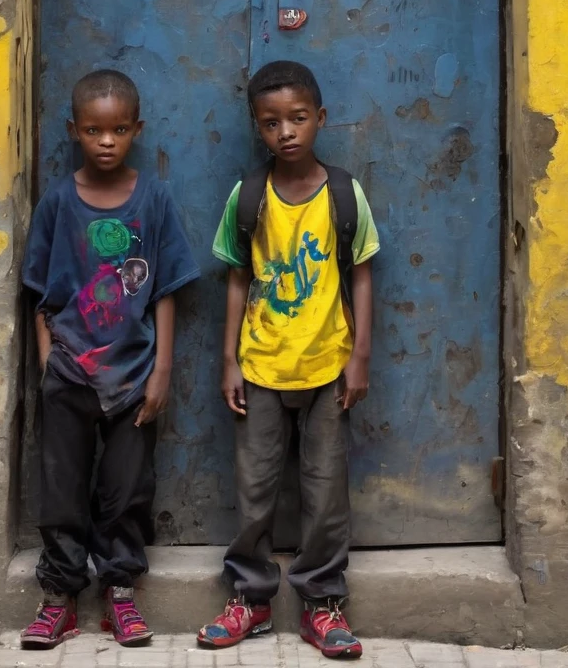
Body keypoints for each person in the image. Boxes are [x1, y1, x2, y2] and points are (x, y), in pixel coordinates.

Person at [198, 60, 379, 660]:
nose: (287, 132)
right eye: (272, 122)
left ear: (320, 119)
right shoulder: (247, 197)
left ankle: (322, 603)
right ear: (258, 128)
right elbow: (235, 279)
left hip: (328, 365)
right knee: (255, 490)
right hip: (260, 367)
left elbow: (361, 274)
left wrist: (360, 357)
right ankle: (249, 598)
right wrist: (229, 360)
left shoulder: (344, 194)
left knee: (326, 493)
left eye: (299, 118)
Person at [20, 69, 199, 650]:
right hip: (70, 372)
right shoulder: (57, 202)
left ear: (136, 130)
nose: (106, 140)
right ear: (74, 130)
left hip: (132, 377)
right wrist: (49, 364)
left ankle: (120, 595)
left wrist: (162, 371)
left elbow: (167, 287)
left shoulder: (153, 198)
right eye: (94, 129)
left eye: (119, 129)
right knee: (62, 488)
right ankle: (61, 597)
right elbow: (39, 293)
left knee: (127, 492)